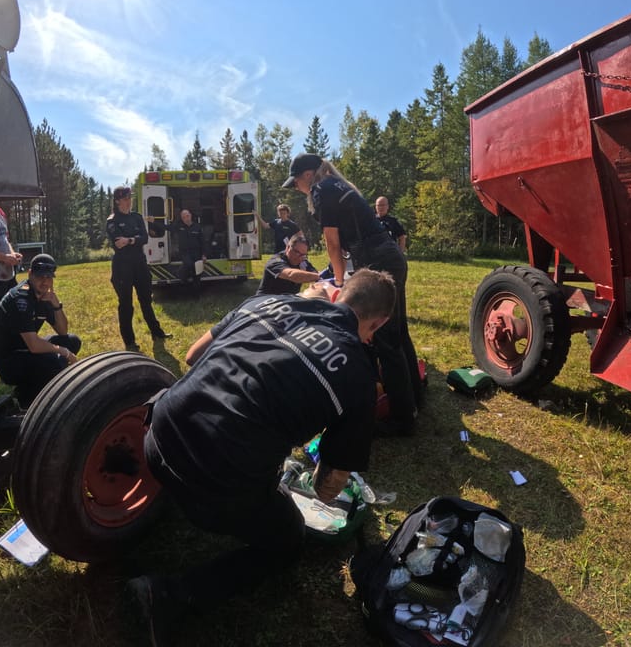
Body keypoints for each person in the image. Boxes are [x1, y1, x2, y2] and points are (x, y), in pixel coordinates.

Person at [126, 268, 396, 646]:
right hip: (213, 481)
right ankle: (169, 595)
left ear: (338, 295)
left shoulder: (267, 301)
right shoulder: (359, 374)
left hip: (155, 437)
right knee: (286, 540)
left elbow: (191, 356)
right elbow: (328, 486)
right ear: (378, 323)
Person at [283, 153, 422, 435]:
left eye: (296, 183)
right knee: (398, 333)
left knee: (384, 340)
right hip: (390, 256)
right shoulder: (338, 185)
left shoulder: (322, 190)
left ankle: (403, 419)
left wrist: (338, 280)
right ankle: (415, 398)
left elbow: (332, 244)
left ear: (308, 176)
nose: (297, 189)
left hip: (378, 260)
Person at [0, 254, 81, 409]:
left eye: (49, 277)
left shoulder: (44, 296)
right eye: (40, 276)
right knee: (56, 360)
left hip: (25, 349)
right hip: (8, 361)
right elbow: (34, 345)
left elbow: (62, 331)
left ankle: (32, 386)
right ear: (30, 273)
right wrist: (64, 352)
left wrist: (56, 304)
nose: (45, 281)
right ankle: (25, 398)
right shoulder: (21, 298)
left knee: (72, 341)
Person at [106, 186, 171, 350]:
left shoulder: (137, 217)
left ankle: (157, 332)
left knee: (146, 300)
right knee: (126, 304)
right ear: (118, 200)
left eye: (130, 198)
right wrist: (133, 240)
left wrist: (129, 240)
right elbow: (118, 243)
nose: (129, 201)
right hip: (122, 267)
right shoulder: (112, 220)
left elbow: (145, 238)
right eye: (126, 198)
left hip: (140, 264)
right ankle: (129, 342)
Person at [166, 209, 206, 284]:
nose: (186, 218)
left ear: (190, 215)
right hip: (185, 253)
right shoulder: (179, 227)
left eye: (187, 216)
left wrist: (204, 255)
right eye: (183, 217)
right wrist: (154, 222)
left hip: (197, 252)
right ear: (181, 218)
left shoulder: (197, 227)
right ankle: (180, 274)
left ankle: (196, 292)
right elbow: (167, 227)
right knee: (189, 264)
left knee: (197, 274)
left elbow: (202, 242)